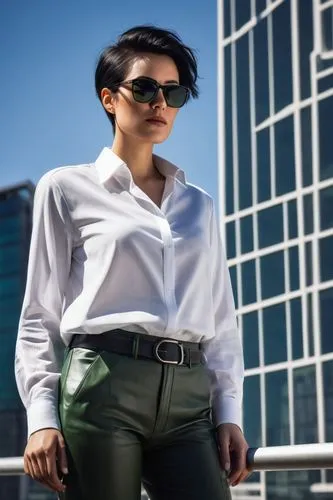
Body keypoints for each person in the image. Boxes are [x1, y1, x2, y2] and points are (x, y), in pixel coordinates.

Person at [15, 25, 249, 500]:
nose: (158, 103)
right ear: (109, 99)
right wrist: (41, 419)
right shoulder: (65, 188)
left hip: (189, 399)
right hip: (102, 388)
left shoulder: (198, 205)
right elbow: (39, 315)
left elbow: (221, 320)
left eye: (173, 91)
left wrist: (229, 415)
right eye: (143, 88)